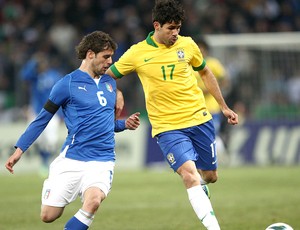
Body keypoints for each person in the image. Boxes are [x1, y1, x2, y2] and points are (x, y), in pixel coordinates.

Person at [106, 1, 238, 229]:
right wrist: (117, 91)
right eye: (170, 28)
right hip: (167, 127)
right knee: (189, 175)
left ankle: (201, 187)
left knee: (210, 176)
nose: (175, 33)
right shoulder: (137, 52)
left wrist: (224, 106)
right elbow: (108, 75)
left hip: (200, 119)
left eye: (178, 27)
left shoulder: (188, 45)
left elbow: (205, 72)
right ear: (156, 26)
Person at [5, 31, 140, 230]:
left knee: (93, 201)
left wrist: (124, 124)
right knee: (48, 216)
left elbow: (105, 125)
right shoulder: (66, 84)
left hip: (102, 160)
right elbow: (42, 119)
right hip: (73, 158)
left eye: (111, 57)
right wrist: (19, 150)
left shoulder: (109, 83)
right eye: (106, 57)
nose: (110, 62)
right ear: (90, 54)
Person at [20, 51, 64, 176]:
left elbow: (61, 95)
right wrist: (33, 62)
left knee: (51, 141)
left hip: (52, 113)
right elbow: (24, 76)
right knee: (37, 140)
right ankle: (44, 162)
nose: (42, 65)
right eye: (40, 63)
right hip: (36, 112)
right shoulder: (35, 76)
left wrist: (61, 114)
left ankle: (47, 162)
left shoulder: (54, 75)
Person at [194, 36, 231, 163]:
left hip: (212, 107)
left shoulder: (213, 64)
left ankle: (221, 159)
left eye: (202, 48)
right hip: (194, 108)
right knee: (199, 137)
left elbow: (226, 81)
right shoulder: (189, 65)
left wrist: (211, 89)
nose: (200, 51)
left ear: (206, 50)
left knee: (213, 135)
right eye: (197, 48)